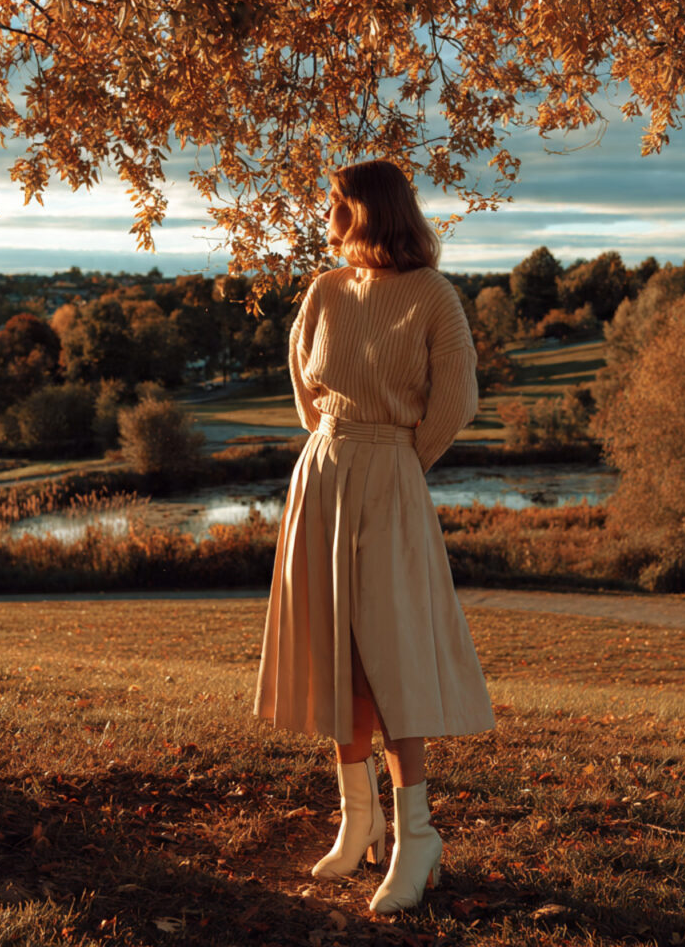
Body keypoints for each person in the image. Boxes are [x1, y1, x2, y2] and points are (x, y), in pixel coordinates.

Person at [254, 159, 494, 915]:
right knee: (334, 650)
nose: (328, 215)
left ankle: (416, 832)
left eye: (338, 204)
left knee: (387, 654)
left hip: (389, 477)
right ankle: (357, 818)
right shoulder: (325, 290)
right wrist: (339, 447)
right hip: (323, 472)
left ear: (370, 210)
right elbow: (303, 381)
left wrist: (396, 461)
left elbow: (455, 402)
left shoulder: (433, 296)